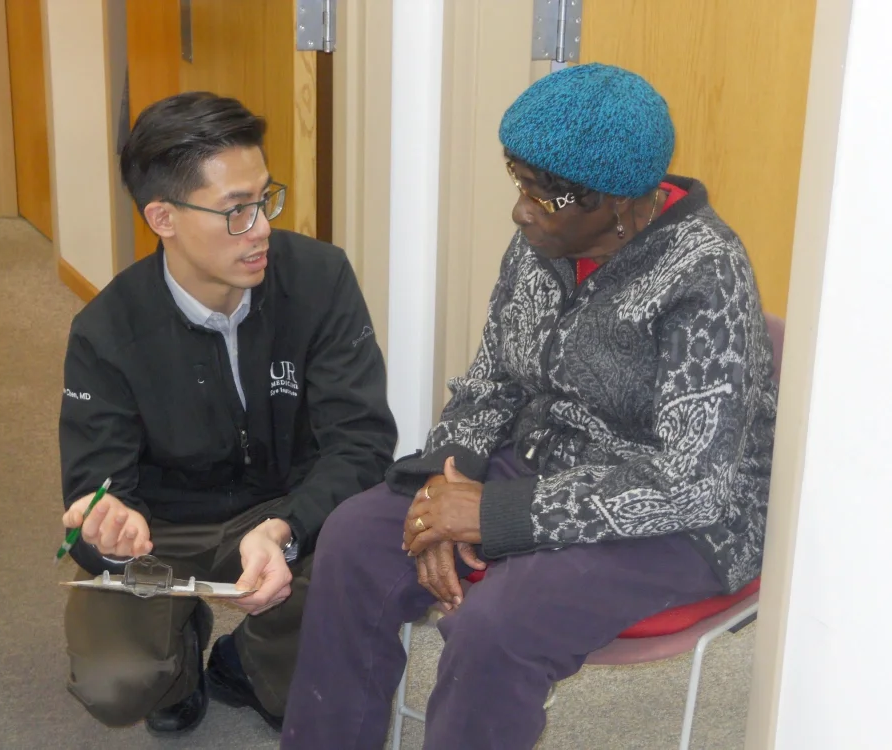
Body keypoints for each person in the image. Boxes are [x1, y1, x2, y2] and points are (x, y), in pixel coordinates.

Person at [280, 64, 778, 749]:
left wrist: (493, 514)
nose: (522, 209)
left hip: (676, 522)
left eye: (545, 195)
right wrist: (445, 483)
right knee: (356, 539)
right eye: (520, 182)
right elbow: (492, 381)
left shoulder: (706, 271)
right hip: (542, 461)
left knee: (497, 627)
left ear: (621, 204)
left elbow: (693, 483)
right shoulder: (544, 241)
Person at [58, 91, 396, 736]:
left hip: (287, 504)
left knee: (338, 647)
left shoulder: (319, 279)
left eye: (265, 199)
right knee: (117, 684)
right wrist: (110, 522)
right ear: (163, 217)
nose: (262, 227)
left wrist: (285, 528)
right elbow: (93, 489)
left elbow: (362, 443)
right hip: (167, 527)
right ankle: (179, 659)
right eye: (236, 211)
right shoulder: (106, 331)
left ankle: (248, 663)